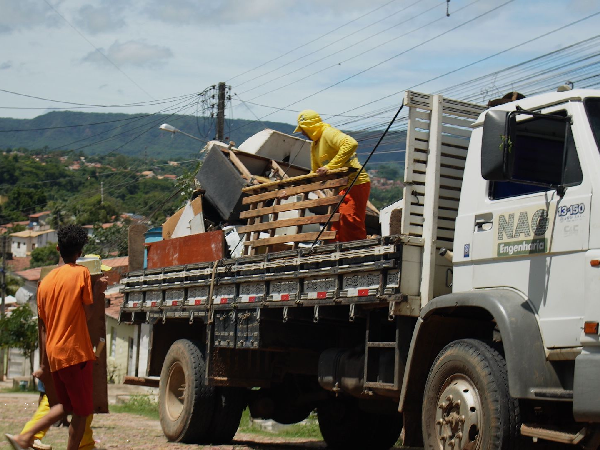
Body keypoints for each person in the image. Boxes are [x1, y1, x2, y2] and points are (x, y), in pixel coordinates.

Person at [6, 225, 96, 450]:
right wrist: (100, 289)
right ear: (80, 252)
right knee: (82, 411)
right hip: (75, 353)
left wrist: (45, 365)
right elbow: (88, 313)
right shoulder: (81, 273)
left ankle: (25, 438)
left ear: (58, 248)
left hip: (55, 354)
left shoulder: (44, 284)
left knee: (65, 405)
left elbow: (44, 326)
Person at [293, 109, 371, 242]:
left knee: (350, 220)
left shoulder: (328, 133)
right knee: (337, 222)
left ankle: (357, 251)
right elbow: (316, 170)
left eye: (304, 129)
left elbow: (351, 144)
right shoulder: (315, 145)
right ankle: (335, 251)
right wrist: (303, 181)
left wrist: (329, 167)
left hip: (356, 183)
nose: (304, 133)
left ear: (311, 127)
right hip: (340, 187)